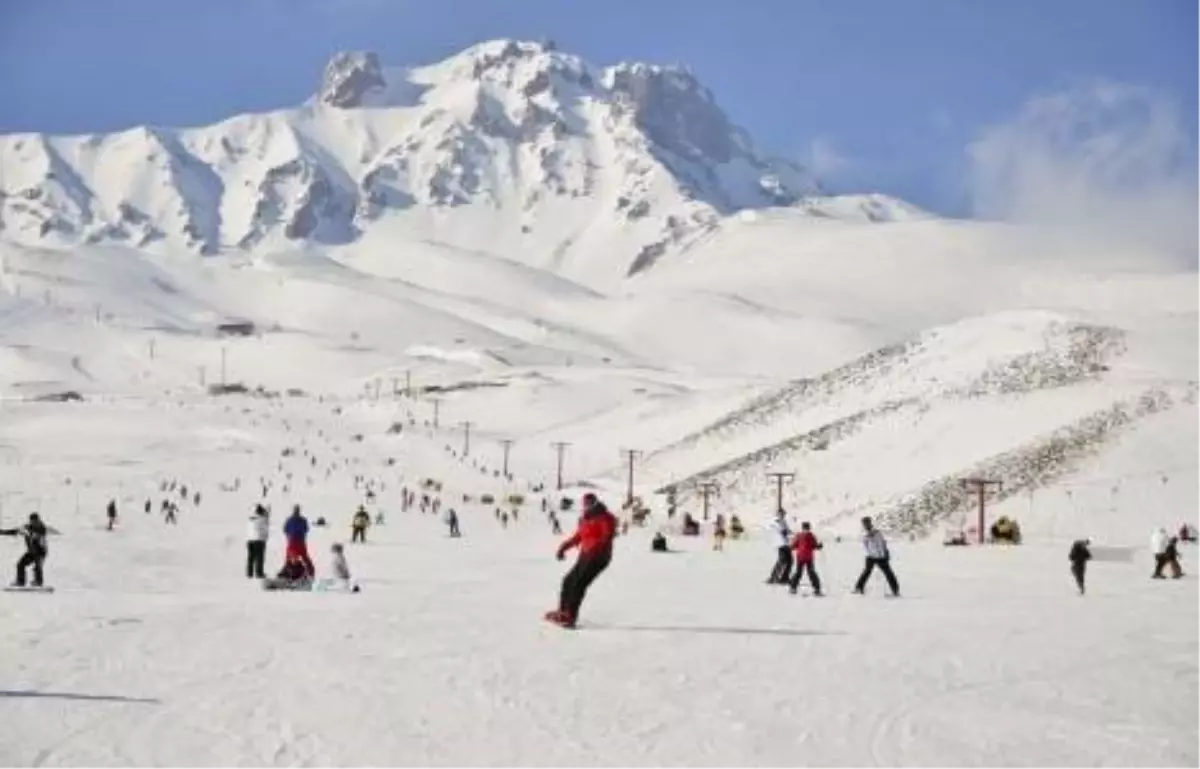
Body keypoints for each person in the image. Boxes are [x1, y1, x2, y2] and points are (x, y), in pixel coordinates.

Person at [546, 493, 618, 628]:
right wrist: (563, 548)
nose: (587, 506)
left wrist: (594, 548)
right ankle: (563, 611)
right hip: (585, 556)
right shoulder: (585, 519)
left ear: (596, 503)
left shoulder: (605, 517)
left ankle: (570, 616)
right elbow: (578, 537)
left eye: (590, 503)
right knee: (568, 581)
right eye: (585, 504)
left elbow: (607, 536)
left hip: (599, 557)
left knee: (579, 584)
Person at [853, 516, 900, 597]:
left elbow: (882, 544)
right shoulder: (865, 534)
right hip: (871, 556)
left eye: (866, 523)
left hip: (880, 557)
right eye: (864, 523)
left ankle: (895, 591)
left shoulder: (877, 533)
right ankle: (859, 588)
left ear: (870, 523)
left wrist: (884, 555)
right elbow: (865, 545)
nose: (865, 525)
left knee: (888, 573)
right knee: (866, 572)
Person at [1, 513, 49, 587]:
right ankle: (20, 582)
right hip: (31, 552)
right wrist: (2, 532)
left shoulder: (42, 528)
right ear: (30, 521)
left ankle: (38, 582)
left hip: (41, 552)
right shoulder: (27, 528)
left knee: (37, 567)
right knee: (20, 564)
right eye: (32, 521)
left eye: (36, 521)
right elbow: (15, 531)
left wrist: (29, 533)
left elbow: (38, 535)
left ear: (38, 520)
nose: (34, 522)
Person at [789, 522, 823, 596]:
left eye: (807, 528)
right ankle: (793, 587)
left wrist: (818, 546)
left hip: (805, 557)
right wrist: (819, 546)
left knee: (806, 573)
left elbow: (814, 545)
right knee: (804, 573)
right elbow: (795, 544)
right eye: (805, 528)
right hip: (804, 558)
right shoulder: (804, 536)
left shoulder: (806, 536)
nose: (806, 530)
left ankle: (816, 589)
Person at [283, 505, 315, 577]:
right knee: (304, 557)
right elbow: (306, 530)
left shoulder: (290, 520)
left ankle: (287, 573)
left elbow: (285, 530)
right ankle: (311, 572)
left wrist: (289, 536)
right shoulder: (302, 520)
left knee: (290, 558)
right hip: (298, 542)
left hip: (293, 542)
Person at [766, 510, 793, 585]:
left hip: (786, 543)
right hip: (780, 543)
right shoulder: (775, 522)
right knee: (781, 561)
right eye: (781, 514)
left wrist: (790, 532)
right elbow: (781, 531)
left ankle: (785, 577)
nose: (783, 516)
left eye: (784, 514)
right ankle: (773, 577)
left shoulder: (783, 521)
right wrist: (786, 532)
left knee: (790, 561)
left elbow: (787, 530)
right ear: (778, 514)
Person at [246, 504, 269, 579]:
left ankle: (249, 573)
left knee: (251, 558)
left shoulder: (251, 519)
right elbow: (266, 526)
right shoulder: (263, 519)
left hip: (249, 540)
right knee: (260, 557)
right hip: (259, 540)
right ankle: (259, 573)